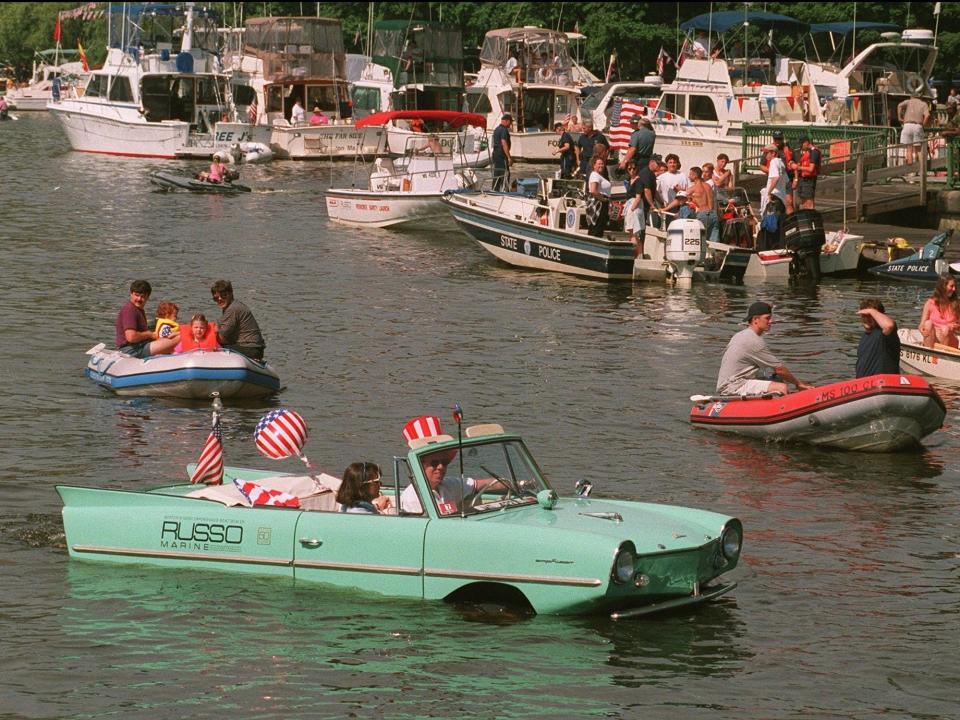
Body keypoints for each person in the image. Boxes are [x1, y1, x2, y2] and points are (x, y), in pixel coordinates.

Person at [716, 301, 811, 396]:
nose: (771, 321)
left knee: (777, 379)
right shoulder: (753, 340)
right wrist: (799, 384)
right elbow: (780, 369)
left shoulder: (741, 335)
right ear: (755, 319)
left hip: (730, 382)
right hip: (733, 386)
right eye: (767, 318)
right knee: (781, 387)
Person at [115, 280, 179, 358]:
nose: (139, 299)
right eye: (136, 295)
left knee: (177, 335)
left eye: (142, 296)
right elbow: (131, 337)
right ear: (131, 294)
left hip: (140, 346)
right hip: (132, 350)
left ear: (147, 297)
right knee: (180, 338)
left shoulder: (138, 310)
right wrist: (149, 334)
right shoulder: (129, 310)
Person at [210, 279, 266, 360]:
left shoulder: (232, 309)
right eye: (216, 298)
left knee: (214, 348)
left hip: (250, 348)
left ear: (231, 293)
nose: (220, 299)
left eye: (223, 295)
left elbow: (221, 338)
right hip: (254, 348)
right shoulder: (233, 306)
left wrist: (212, 332)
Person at [855, 299, 900, 378]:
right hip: (864, 385)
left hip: (884, 383)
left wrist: (872, 311)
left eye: (870, 316)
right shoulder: (864, 337)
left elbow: (888, 325)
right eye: (864, 315)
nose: (866, 319)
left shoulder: (884, 334)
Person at [919, 275, 960, 349]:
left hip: (949, 340)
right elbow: (921, 325)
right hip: (932, 340)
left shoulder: (957, 304)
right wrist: (922, 329)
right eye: (951, 286)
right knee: (928, 323)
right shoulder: (930, 303)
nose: (954, 289)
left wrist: (954, 327)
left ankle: (943, 356)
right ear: (943, 287)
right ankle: (930, 353)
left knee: (945, 329)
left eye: (955, 287)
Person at [760, 130, 794, 213]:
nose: (778, 141)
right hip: (777, 187)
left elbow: (776, 177)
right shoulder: (775, 157)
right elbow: (761, 165)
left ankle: (789, 222)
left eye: (779, 139)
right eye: (776, 139)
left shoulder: (785, 151)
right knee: (778, 206)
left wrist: (769, 192)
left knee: (788, 203)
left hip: (780, 186)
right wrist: (771, 171)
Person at [897, 88, 930, 166]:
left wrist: (899, 117)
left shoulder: (908, 101)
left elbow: (899, 105)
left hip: (907, 125)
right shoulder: (923, 104)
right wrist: (923, 125)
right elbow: (927, 115)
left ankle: (911, 172)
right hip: (918, 125)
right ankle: (922, 169)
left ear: (911, 96)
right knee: (919, 149)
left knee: (909, 149)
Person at [687, 166, 718, 244]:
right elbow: (711, 200)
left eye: (690, 174)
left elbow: (680, 199)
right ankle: (713, 255)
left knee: (700, 241)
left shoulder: (692, 189)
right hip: (713, 214)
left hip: (702, 214)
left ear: (695, 176)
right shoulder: (708, 186)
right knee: (714, 243)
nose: (688, 176)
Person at [792, 135, 821, 210]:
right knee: (804, 202)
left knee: (808, 202)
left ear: (806, 143)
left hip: (809, 180)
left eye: (801, 145)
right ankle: (807, 218)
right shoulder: (807, 152)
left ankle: (810, 218)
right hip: (803, 179)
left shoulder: (814, 152)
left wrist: (798, 167)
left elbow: (811, 169)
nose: (801, 147)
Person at [586, 155, 611, 238]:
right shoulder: (595, 175)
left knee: (599, 228)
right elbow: (593, 190)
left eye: (602, 164)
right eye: (599, 164)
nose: (601, 165)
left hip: (602, 203)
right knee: (596, 228)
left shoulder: (599, 175)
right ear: (594, 165)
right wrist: (603, 199)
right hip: (598, 204)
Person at [491, 113, 513, 191]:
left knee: (497, 174)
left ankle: (495, 190)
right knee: (505, 174)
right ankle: (503, 191)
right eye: (510, 122)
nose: (511, 124)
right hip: (501, 156)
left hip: (496, 155)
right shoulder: (504, 130)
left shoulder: (497, 129)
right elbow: (504, 143)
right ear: (507, 121)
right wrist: (509, 157)